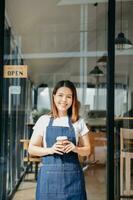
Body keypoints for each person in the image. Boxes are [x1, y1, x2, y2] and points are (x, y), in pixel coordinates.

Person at [28, 80, 90, 200]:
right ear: (54, 96)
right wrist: (51, 150)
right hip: (49, 180)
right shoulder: (44, 120)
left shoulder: (78, 122)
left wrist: (75, 148)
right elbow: (31, 149)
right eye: (60, 95)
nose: (64, 100)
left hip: (73, 179)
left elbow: (87, 150)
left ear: (73, 100)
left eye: (69, 97)